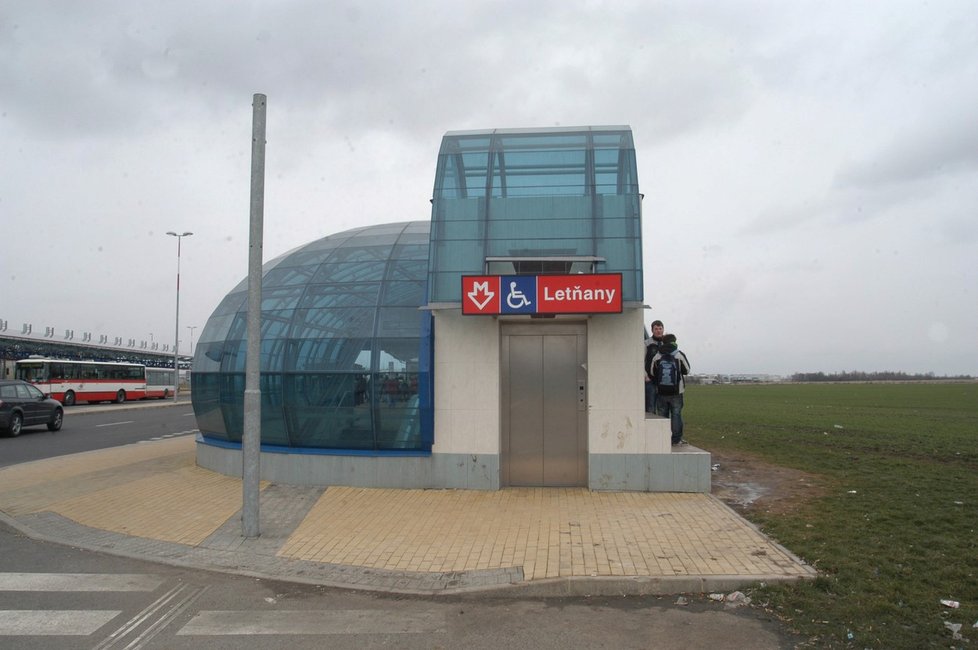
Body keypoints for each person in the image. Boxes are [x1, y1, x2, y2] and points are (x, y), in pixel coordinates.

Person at [650, 333, 691, 445]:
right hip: (677, 392)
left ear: (663, 342)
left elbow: (653, 372)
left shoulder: (657, 356)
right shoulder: (679, 355)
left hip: (661, 392)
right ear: (674, 342)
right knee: (676, 415)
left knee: (663, 415)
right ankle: (676, 440)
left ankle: (663, 438)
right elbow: (687, 370)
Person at [643, 320, 665, 414]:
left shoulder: (666, 344)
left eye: (660, 329)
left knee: (663, 408)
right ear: (652, 330)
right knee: (650, 407)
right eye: (656, 329)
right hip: (650, 381)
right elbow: (641, 360)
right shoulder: (646, 343)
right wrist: (645, 375)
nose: (658, 331)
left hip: (663, 382)